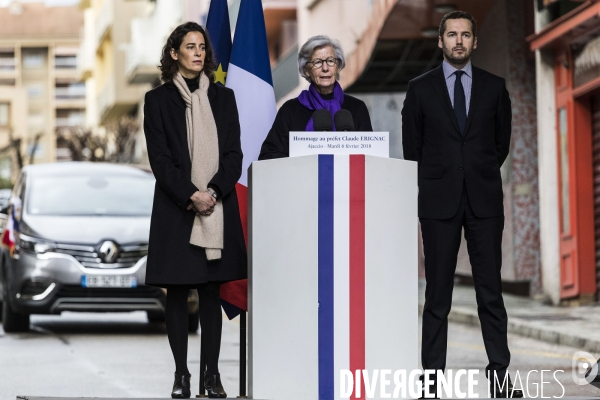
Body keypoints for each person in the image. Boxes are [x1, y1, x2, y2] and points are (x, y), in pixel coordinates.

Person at [402, 11, 523, 399]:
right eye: (451, 35)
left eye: (466, 35)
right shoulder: (419, 89)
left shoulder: (494, 87)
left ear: (475, 42)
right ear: (440, 41)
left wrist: (479, 171)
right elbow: (412, 149)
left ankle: (501, 380)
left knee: (491, 293)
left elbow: (500, 143)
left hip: (484, 203)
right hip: (438, 205)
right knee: (437, 296)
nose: (459, 41)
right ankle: (432, 383)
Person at [143, 22, 246, 399]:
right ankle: (181, 375)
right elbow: (161, 160)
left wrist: (214, 191)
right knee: (178, 291)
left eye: (202, 46)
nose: (199, 52)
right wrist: (191, 194)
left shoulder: (225, 98)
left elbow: (235, 154)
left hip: (216, 207)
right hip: (178, 209)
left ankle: (211, 376)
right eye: (190, 46)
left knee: (210, 291)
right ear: (174, 53)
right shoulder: (157, 101)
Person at [259, 35, 372, 160]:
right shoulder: (290, 110)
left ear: (338, 67)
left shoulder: (357, 108)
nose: (325, 68)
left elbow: (371, 154)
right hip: (302, 178)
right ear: (307, 70)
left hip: (348, 178)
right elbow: (268, 156)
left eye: (330, 61)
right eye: (318, 62)